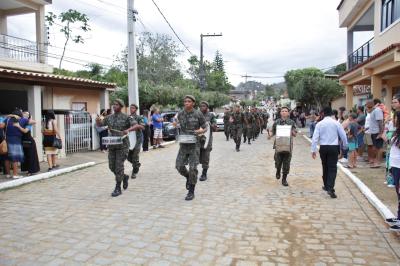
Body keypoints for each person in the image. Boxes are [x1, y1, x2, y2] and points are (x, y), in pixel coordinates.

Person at [96, 99, 136, 197]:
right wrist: (98, 120)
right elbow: (100, 124)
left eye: (116, 105)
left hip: (123, 146)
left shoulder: (126, 117)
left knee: (118, 166)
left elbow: (135, 125)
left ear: (121, 106)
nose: (114, 106)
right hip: (112, 145)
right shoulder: (109, 117)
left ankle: (118, 187)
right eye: (113, 104)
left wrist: (128, 130)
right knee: (111, 166)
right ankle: (124, 177)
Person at [174, 95, 207, 201]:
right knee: (179, 166)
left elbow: (205, 126)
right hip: (183, 144)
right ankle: (188, 177)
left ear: (193, 103)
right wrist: (175, 124)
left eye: (189, 101)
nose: (186, 103)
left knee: (193, 168)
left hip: (194, 144)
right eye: (185, 101)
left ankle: (191, 191)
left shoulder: (198, 113)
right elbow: (176, 122)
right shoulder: (180, 113)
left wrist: (200, 131)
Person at [311, 106, 348, 199]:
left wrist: (313, 150)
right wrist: (345, 146)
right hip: (333, 147)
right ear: (332, 113)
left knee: (325, 166)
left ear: (323, 113)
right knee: (332, 167)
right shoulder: (336, 123)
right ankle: (330, 188)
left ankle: (326, 185)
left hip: (323, 147)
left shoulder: (319, 124)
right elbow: (343, 136)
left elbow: (315, 138)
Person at [269, 107, 297, 186]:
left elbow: (295, 134)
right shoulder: (277, 121)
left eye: (286, 111)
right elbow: (273, 131)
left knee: (286, 163)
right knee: (278, 162)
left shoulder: (291, 122)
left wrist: (292, 131)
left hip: (288, 145)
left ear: (288, 113)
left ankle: (284, 179)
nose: (284, 112)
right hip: (278, 145)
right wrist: (269, 135)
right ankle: (278, 170)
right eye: (283, 111)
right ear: (280, 113)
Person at [385, 111, 400, 232]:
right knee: (398, 192)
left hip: (399, 165)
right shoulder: (396, 132)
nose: (393, 120)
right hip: (395, 165)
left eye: (395, 118)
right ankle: (398, 217)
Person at [4, 109, 29, 179]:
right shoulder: (22, 120)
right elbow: (32, 121)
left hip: (7, 140)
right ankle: (15, 174)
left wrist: (8, 116)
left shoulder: (7, 120)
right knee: (15, 158)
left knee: (7, 158)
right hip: (16, 140)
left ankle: (8, 174)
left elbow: (2, 126)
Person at [199, 101, 217, 182]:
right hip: (198, 138)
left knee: (206, 156)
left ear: (207, 107)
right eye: (201, 106)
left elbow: (215, 128)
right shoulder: (197, 115)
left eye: (204, 106)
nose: (202, 107)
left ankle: (204, 173)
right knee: (196, 155)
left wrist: (211, 124)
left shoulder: (211, 115)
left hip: (207, 138)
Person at [127, 104, 145, 179]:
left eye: (133, 108)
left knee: (135, 155)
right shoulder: (127, 117)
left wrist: (136, 125)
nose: (131, 109)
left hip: (138, 138)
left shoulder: (139, 117)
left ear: (136, 109)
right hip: (129, 139)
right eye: (130, 108)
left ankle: (134, 171)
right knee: (128, 156)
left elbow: (143, 127)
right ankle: (136, 164)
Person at [366, 100, 384, 168]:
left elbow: (380, 122)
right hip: (373, 132)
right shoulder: (373, 111)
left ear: (372, 104)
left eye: (367, 104)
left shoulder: (377, 110)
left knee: (379, 148)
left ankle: (377, 163)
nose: (367, 106)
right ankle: (375, 161)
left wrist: (380, 133)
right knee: (375, 148)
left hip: (377, 132)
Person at [21, 111, 40, 175]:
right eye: (24, 113)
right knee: (25, 156)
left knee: (30, 156)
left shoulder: (29, 123)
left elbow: (25, 131)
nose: (25, 114)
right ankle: (27, 170)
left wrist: (18, 126)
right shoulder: (20, 121)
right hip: (23, 141)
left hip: (29, 141)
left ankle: (31, 171)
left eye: (27, 114)